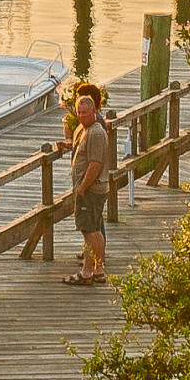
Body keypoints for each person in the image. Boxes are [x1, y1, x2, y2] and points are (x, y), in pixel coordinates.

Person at [63, 89, 113, 285]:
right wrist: (67, 146)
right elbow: (82, 152)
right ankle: (98, 270)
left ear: (94, 112)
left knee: (88, 232)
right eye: (79, 112)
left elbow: (95, 165)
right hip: (93, 189)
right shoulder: (84, 130)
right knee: (95, 229)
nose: (82, 116)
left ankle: (86, 272)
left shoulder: (96, 132)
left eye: (85, 112)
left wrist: (82, 188)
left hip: (92, 190)